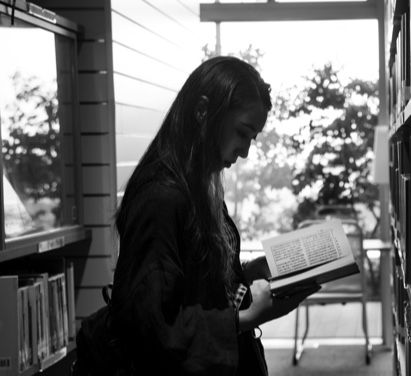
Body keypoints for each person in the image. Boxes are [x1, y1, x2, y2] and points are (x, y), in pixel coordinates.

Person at [85, 56, 319, 375]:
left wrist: (246, 272)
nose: (245, 151)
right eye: (242, 132)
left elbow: (198, 285)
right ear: (203, 111)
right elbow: (150, 324)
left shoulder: (198, 184)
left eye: (252, 138)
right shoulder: (161, 196)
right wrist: (249, 318)